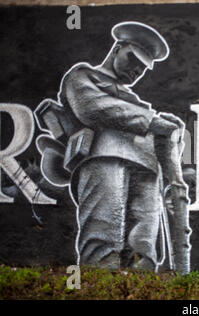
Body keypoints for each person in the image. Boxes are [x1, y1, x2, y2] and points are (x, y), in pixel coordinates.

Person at [37, 22, 191, 273]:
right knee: (104, 232)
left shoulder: (139, 104)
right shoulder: (83, 76)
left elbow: (165, 150)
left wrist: (171, 133)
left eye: (142, 69)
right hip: (104, 156)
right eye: (133, 60)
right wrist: (152, 121)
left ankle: (142, 289)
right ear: (118, 48)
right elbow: (93, 108)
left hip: (147, 167)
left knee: (144, 246)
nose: (137, 71)